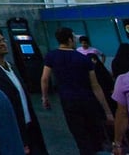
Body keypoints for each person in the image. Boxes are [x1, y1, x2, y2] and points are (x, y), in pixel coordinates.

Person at [41, 27, 113, 155]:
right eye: (74, 38)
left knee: (79, 135)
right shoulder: (84, 59)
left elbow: (45, 79)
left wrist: (45, 97)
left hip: (68, 101)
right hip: (87, 100)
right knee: (94, 133)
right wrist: (107, 111)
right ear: (69, 39)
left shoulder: (51, 56)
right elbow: (95, 86)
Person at [0, 27, 47, 155]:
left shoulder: (12, 67)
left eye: (3, 40)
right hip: (13, 132)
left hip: (29, 127)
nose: (2, 43)